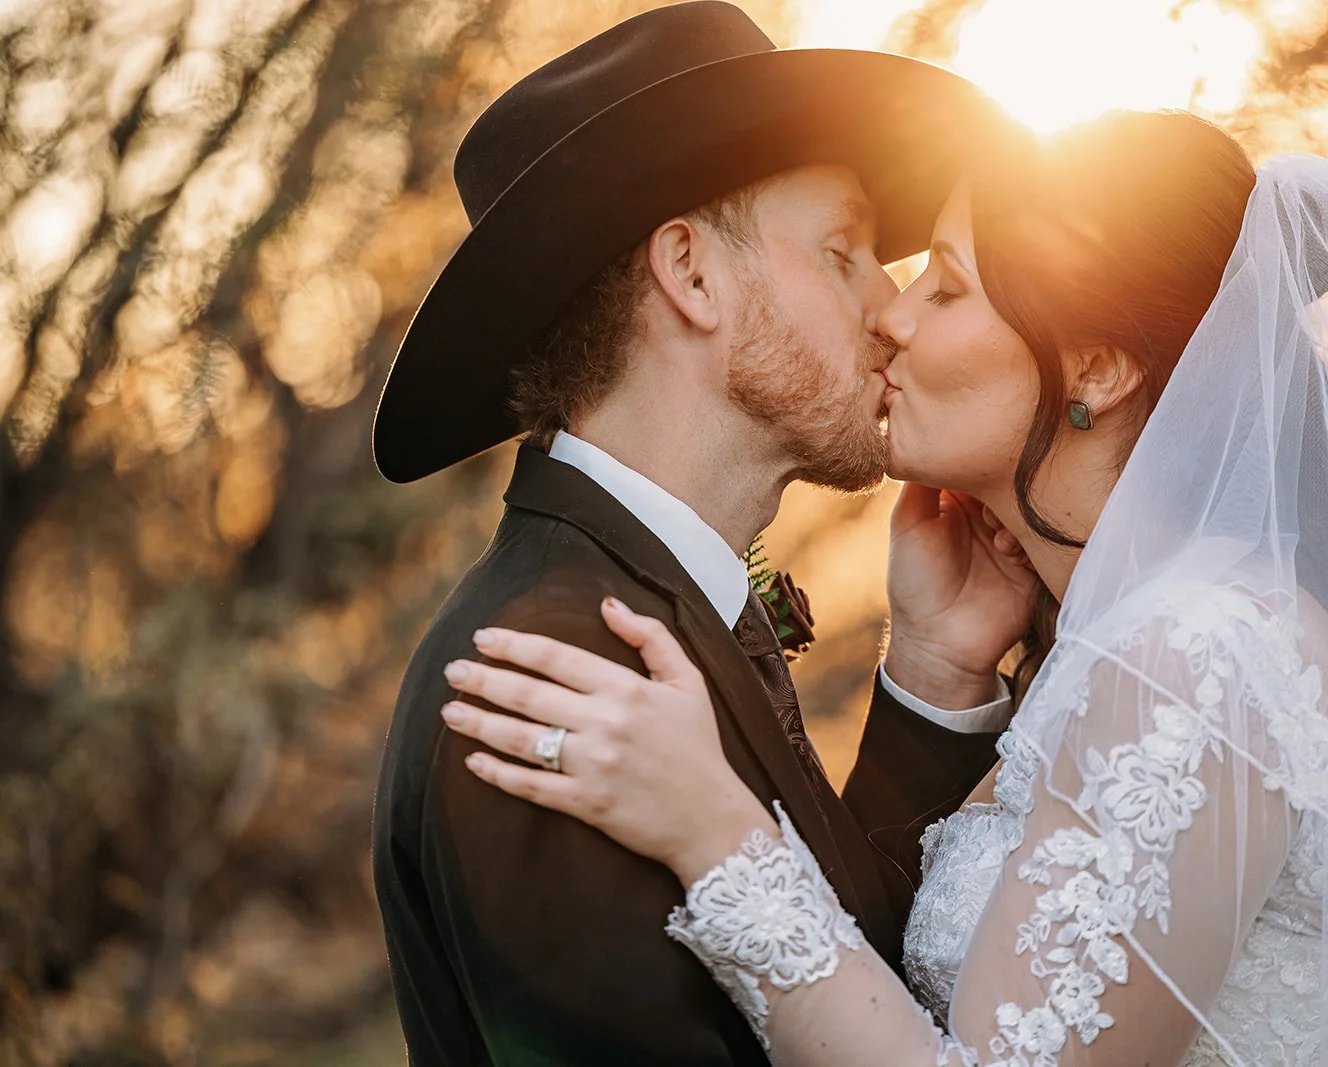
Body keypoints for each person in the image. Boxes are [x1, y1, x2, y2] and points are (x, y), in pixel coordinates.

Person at [441, 109, 1328, 1064]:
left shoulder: (1193, 654)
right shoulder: (1158, 635)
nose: (887, 315)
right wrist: (937, 668)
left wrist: (716, 831)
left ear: (1095, 363)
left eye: (943, 288)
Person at [368, 4, 1035, 1064]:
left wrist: (932, 674)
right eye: (844, 250)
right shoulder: (543, 680)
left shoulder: (640, 604)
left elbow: (858, 976)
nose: (893, 305)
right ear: (691, 273)